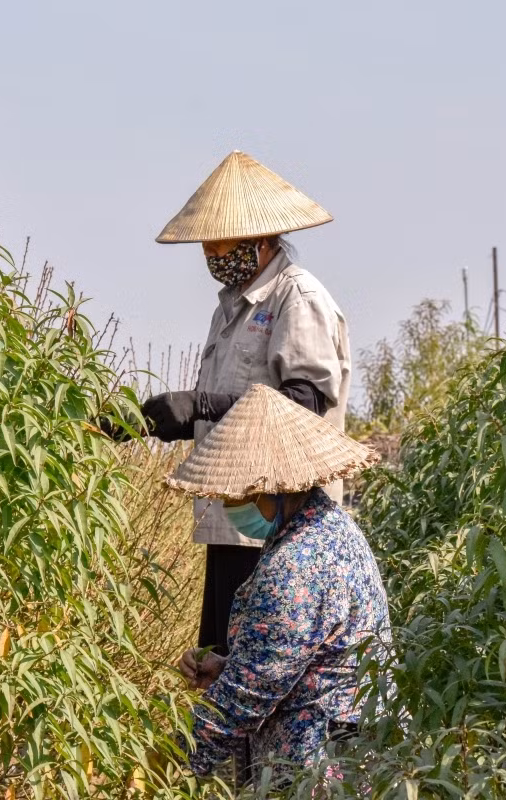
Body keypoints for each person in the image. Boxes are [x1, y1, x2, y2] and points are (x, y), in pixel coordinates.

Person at [144, 151, 352, 657]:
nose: (212, 255)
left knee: (257, 673)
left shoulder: (297, 299)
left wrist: (200, 404)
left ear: (260, 239)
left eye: (222, 243)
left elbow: (301, 405)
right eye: (207, 246)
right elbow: (219, 410)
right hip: (235, 517)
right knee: (218, 668)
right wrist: (148, 420)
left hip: (277, 520)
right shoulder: (233, 307)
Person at [164, 384, 393, 784]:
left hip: (320, 765)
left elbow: (245, 697)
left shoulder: (297, 565)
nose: (228, 503)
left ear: (274, 487)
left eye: (238, 493)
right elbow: (293, 658)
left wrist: (164, 764)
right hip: (350, 750)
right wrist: (227, 667)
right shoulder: (328, 526)